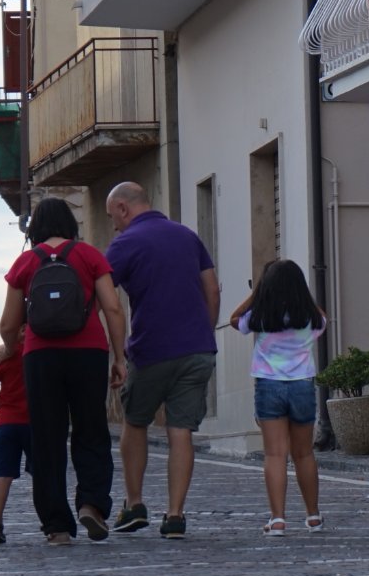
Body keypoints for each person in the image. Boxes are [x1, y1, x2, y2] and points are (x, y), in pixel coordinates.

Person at [0, 197, 127, 546]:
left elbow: (8, 324)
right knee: (91, 430)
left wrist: (11, 349)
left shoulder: (25, 263)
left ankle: (56, 526)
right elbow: (113, 308)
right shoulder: (89, 256)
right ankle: (92, 505)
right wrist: (119, 357)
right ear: (70, 224)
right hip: (88, 353)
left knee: (46, 439)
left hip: (41, 357)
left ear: (35, 228)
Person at [103, 182, 219, 540]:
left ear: (123, 208)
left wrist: (117, 353)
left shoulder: (124, 244)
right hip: (197, 349)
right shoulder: (188, 236)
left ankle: (135, 504)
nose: (113, 225)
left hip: (152, 350)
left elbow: (104, 296)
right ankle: (175, 515)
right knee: (181, 431)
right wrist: (204, 332)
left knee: (135, 421)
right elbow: (211, 288)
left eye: (112, 217)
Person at [228, 260, 327, 536]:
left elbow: (234, 319)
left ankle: (278, 519)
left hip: (269, 385)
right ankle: (313, 516)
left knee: (275, 454)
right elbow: (322, 317)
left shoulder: (261, 316)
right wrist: (302, 296)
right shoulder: (310, 318)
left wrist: (257, 294)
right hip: (302, 386)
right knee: (304, 453)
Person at [0, 336, 32, 545]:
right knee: (42, 473)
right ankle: (51, 525)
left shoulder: (5, 354)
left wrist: (4, 403)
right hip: (35, 422)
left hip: (6, 422)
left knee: (2, 474)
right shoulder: (38, 352)